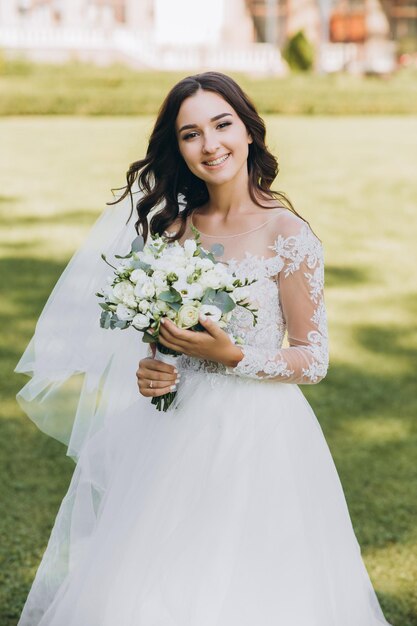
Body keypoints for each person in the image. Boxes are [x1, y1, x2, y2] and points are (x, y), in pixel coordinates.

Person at [14, 71, 393, 625]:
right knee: (152, 582)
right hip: (173, 432)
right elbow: (163, 339)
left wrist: (234, 356)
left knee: (255, 583)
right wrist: (155, 368)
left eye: (222, 125)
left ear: (248, 132)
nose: (210, 144)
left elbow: (313, 358)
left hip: (261, 436)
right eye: (190, 134)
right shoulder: (172, 229)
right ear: (178, 148)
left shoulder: (287, 234)